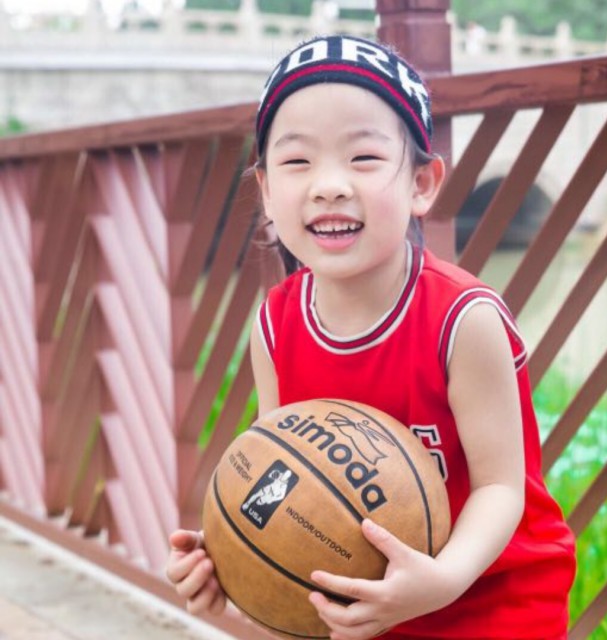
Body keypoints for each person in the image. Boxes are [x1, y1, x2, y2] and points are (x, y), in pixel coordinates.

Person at [166, 35, 576, 640]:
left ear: (421, 184)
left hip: (492, 600)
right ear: (267, 192)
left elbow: (499, 488)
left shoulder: (463, 319)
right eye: (297, 162)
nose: (329, 185)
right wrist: (235, 555)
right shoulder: (275, 324)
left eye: (363, 158)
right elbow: (287, 474)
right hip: (364, 607)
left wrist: (441, 580)